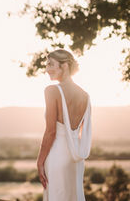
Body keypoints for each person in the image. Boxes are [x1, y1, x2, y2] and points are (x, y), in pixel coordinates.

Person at [36, 49, 92, 201]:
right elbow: (81, 132)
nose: (47, 69)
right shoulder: (85, 95)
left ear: (65, 66)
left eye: (51, 64)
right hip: (76, 159)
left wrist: (40, 161)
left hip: (56, 155)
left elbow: (51, 132)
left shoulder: (52, 91)